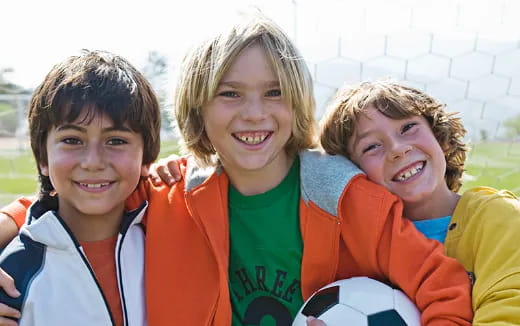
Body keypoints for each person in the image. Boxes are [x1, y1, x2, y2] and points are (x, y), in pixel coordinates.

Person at [0, 12, 473, 326]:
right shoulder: (168, 194)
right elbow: (76, 195)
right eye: (230, 94)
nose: (254, 114)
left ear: (297, 104)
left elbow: (444, 287)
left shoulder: (345, 197)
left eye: (274, 93)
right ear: (197, 108)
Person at [319, 80, 520, 324]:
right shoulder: (357, 248)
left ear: (440, 138)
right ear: (352, 174)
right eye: (372, 146)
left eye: (407, 128)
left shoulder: (500, 218)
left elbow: (509, 307)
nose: (397, 149)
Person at [0, 50, 161, 325]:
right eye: (73, 140)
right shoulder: (13, 274)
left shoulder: (170, 236)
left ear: (147, 157)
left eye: (116, 141)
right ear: (43, 159)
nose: (93, 162)